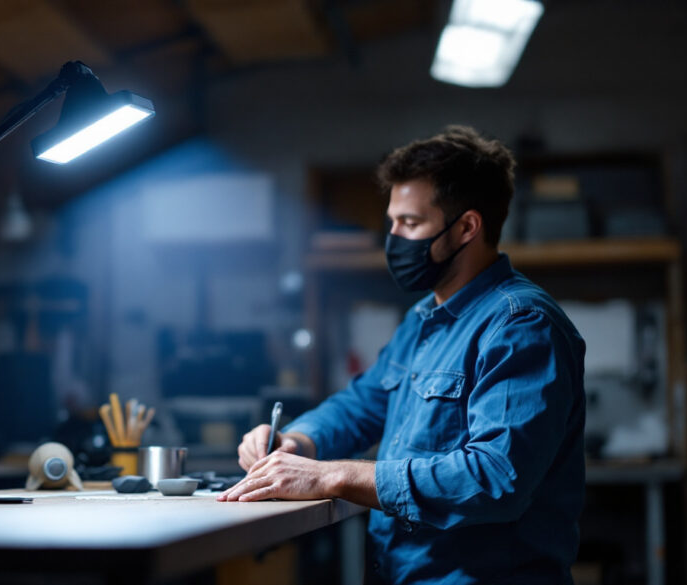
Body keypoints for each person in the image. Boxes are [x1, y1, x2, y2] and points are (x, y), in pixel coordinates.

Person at [219, 126, 586, 584]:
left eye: (410, 224)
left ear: (467, 227)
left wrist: (332, 477)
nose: (392, 238)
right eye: (391, 221)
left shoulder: (520, 324)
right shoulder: (422, 320)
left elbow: (495, 478)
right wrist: (296, 441)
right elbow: (361, 403)